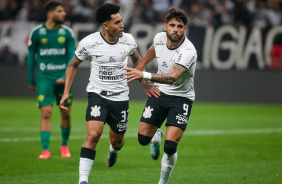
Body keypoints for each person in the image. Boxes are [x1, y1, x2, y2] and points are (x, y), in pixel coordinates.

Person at [59, 3, 143, 184]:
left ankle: (113, 151)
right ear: (106, 25)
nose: (122, 25)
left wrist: (144, 82)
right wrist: (66, 91)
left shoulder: (128, 40)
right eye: (117, 22)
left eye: (122, 21)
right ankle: (83, 180)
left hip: (120, 97)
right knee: (93, 135)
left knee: (117, 142)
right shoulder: (90, 42)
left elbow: (138, 60)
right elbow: (73, 64)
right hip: (98, 95)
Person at [122, 7, 197, 184]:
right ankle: (156, 136)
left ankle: (162, 182)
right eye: (172, 25)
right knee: (142, 139)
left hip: (181, 98)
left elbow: (172, 77)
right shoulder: (159, 39)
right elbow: (145, 61)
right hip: (159, 94)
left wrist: (145, 76)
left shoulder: (188, 51)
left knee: (170, 147)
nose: (175, 29)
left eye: (179, 26)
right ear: (165, 27)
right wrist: (145, 85)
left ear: (185, 29)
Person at [27, 0, 75, 159]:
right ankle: (46, 149)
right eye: (60, 11)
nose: (64, 14)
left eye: (63, 11)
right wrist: (31, 79)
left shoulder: (67, 33)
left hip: (63, 79)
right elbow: (30, 57)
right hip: (44, 79)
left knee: (65, 113)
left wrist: (63, 76)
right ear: (50, 13)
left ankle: (64, 145)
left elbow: (71, 56)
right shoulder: (37, 33)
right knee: (46, 113)